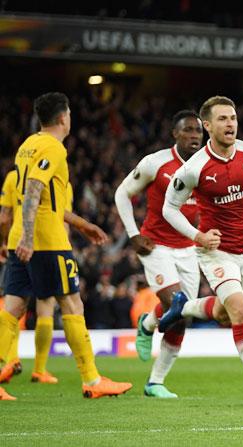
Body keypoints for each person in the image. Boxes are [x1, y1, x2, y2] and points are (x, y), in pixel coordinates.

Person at [0, 92, 132, 400]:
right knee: (72, 304)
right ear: (63, 117)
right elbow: (33, 190)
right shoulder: (53, 147)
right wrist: (32, 237)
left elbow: (44, 197)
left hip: (20, 235)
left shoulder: (27, 145)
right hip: (44, 241)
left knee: (13, 307)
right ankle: (92, 379)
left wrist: (81, 224)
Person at [160, 95, 243, 406]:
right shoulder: (194, 168)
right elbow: (169, 208)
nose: (230, 123)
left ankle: (183, 308)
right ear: (207, 126)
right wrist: (198, 236)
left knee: (222, 313)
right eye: (222, 119)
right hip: (215, 252)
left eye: (232, 117)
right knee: (241, 311)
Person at [115, 110, 208, 398]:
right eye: (188, 130)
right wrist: (133, 234)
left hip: (189, 248)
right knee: (176, 301)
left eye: (198, 131)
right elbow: (122, 193)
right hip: (155, 246)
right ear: (175, 134)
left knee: (184, 316)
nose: (195, 135)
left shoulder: (208, 165)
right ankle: (150, 326)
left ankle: (155, 379)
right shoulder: (155, 163)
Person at [0, 171, 77, 385]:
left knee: (13, 307)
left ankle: (11, 361)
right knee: (46, 309)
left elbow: (5, 217)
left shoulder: (13, 177)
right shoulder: (60, 181)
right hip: (47, 246)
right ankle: (39, 369)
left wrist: (4, 243)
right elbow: (63, 220)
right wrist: (65, 248)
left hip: (17, 245)